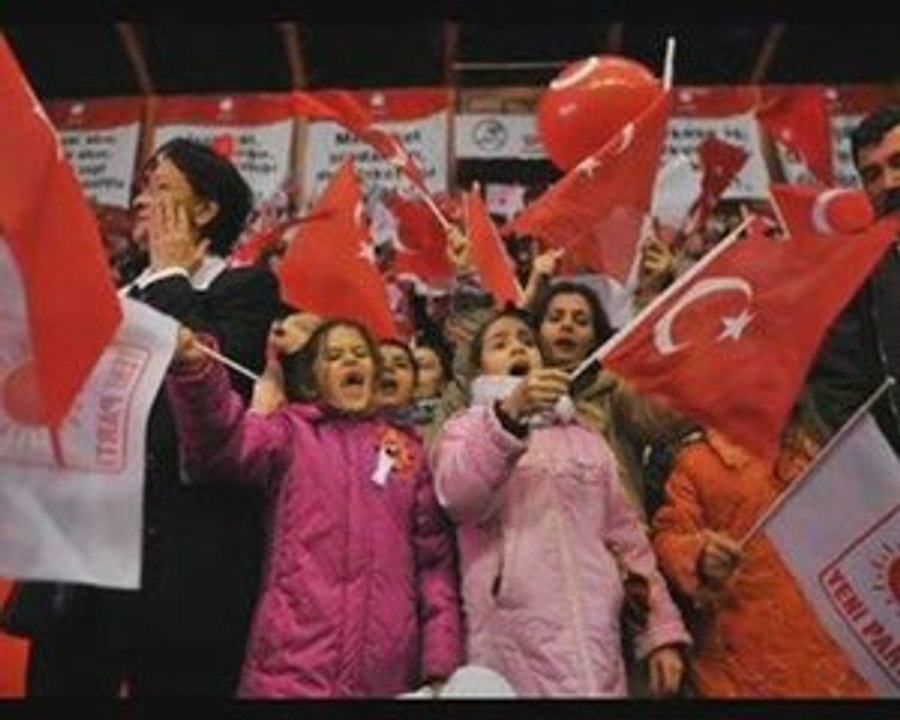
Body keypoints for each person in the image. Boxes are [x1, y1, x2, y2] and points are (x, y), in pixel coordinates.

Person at [16, 138, 280, 696]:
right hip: (82, 555)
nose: (140, 200)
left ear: (205, 209)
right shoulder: (105, 295)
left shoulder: (245, 288)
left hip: (179, 564)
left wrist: (168, 281)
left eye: (159, 188)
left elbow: (215, 384)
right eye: (142, 186)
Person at [166, 319, 462, 697]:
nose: (349, 361)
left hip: (387, 678)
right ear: (313, 379)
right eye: (334, 355)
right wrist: (197, 373)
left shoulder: (408, 453)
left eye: (358, 353)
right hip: (290, 670)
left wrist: (440, 665)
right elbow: (221, 446)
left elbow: (434, 568)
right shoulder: (289, 433)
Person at [430, 309, 690, 697]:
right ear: (475, 372)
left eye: (526, 341)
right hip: (509, 647)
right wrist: (509, 417)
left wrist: (658, 631)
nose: (517, 346)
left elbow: (628, 543)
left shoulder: (587, 439)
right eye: (499, 344)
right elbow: (459, 497)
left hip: (597, 642)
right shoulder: (463, 430)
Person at [651, 394, 871, 697]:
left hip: (831, 659)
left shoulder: (822, 452)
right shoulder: (697, 463)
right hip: (743, 663)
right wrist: (698, 554)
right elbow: (666, 539)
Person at [811, 105, 900, 454]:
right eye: (872, 174)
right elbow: (838, 394)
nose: (888, 182)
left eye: (898, 163)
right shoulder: (854, 278)